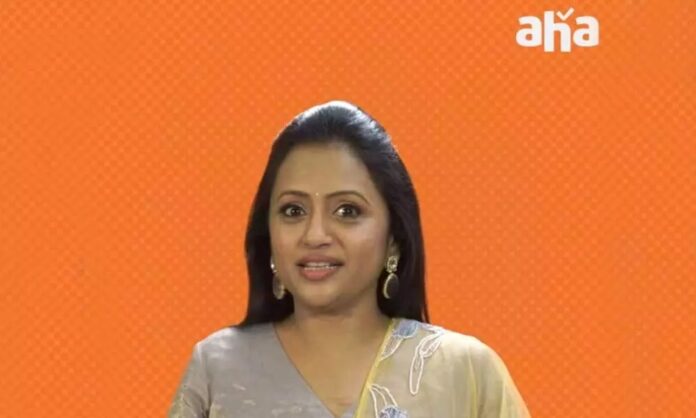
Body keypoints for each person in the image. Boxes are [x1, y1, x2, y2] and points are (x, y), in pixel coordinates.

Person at [167, 100, 532, 418]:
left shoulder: (465, 372)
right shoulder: (217, 368)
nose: (315, 235)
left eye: (347, 211)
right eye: (293, 211)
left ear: (393, 240)